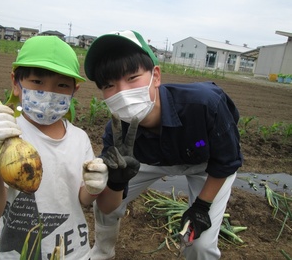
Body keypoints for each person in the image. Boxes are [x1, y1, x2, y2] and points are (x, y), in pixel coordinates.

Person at [84, 30, 243, 260]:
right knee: (104, 202)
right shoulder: (117, 134)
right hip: (147, 162)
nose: (123, 92)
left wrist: (201, 206)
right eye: (109, 85)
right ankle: (102, 251)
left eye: (132, 78)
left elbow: (227, 160)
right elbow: (108, 205)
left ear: (155, 76)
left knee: (200, 245)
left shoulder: (204, 104)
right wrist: (116, 184)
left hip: (206, 164)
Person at [0, 36, 126, 260]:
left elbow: (82, 201)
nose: (49, 92)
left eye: (62, 85)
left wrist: (94, 188)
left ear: (74, 90)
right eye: (37, 82)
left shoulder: (80, 138)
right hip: (21, 253)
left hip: (75, 252)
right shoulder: (6, 135)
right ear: (15, 83)